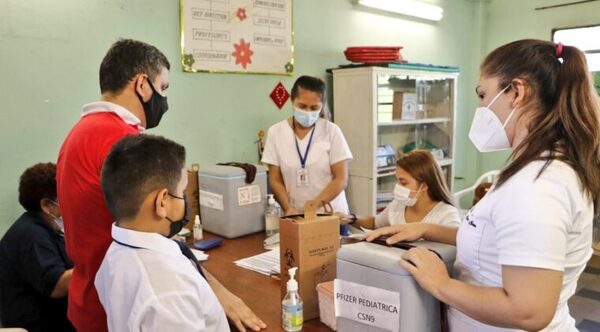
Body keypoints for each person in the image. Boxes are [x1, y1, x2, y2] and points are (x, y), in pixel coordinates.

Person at [366, 39, 600, 331]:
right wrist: (426, 228)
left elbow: (529, 311)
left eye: (482, 94)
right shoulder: (533, 168)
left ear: (516, 91)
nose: (480, 107)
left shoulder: (537, 186)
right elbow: (496, 239)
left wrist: (440, 284)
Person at [57, 38, 265, 332]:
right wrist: (216, 292)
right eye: (163, 87)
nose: (164, 99)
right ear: (143, 85)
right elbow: (147, 227)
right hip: (129, 302)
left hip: (97, 292)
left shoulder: (81, 131)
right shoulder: (121, 142)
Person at [95, 134, 228, 331]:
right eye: (182, 192)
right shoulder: (168, 291)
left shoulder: (115, 254)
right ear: (162, 202)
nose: (185, 201)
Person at [261, 75, 353, 214]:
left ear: (321, 107)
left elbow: (341, 179)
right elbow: (275, 180)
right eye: (302, 106)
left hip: (330, 213)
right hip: (295, 213)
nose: (308, 112)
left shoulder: (331, 131)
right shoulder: (276, 132)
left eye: (314, 107)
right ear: (292, 100)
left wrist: (313, 206)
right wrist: (288, 208)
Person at [0, 163, 74, 332]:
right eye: (65, 196)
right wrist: (99, 264)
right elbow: (57, 285)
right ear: (47, 205)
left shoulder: (47, 230)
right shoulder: (31, 236)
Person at [354, 150, 460, 229]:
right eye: (397, 181)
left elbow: (455, 242)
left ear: (424, 186)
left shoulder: (447, 215)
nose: (397, 187)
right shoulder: (397, 206)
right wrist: (350, 218)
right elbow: (375, 223)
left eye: (403, 183)